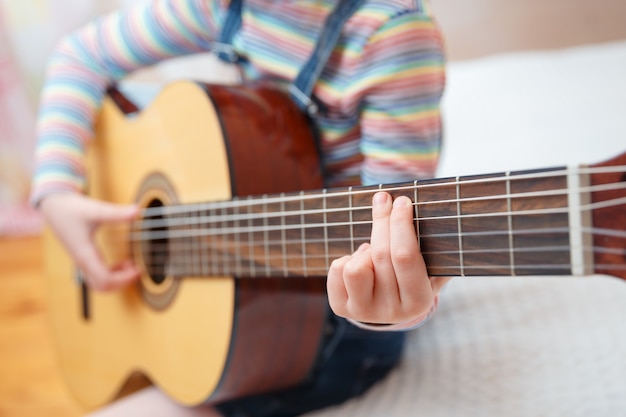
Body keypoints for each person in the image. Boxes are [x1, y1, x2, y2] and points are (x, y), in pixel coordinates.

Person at [31, 0, 450, 415]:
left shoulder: (388, 34)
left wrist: (391, 306)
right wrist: (57, 193)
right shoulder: (227, 7)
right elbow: (79, 56)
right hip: (234, 248)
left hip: (315, 322)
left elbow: (396, 240)